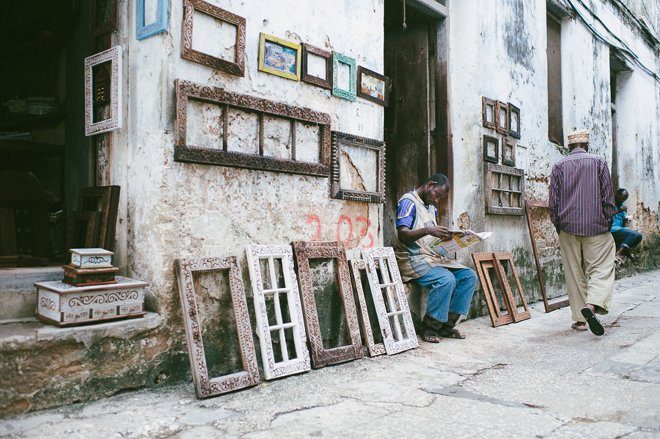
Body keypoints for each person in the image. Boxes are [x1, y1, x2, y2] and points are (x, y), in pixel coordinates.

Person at [395, 173, 478, 343]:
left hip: (430, 257)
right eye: (437, 195)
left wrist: (450, 240)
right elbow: (403, 235)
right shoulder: (408, 202)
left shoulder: (430, 207)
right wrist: (428, 231)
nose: (437, 200)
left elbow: (430, 239)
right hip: (411, 258)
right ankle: (430, 327)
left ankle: (446, 326)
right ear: (429, 185)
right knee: (446, 279)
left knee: (469, 276)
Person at [548, 129, 617, 336]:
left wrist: (558, 224)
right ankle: (593, 305)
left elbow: (553, 202)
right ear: (586, 145)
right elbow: (608, 197)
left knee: (574, 272)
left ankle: (579, 320)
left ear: (569, 147)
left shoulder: (559, 165)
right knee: (601, 267)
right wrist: (608, 220)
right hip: (596, 226)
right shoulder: (599, 162)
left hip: (567, 227)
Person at [611, 188, 643, 262]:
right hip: (611, 229)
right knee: (633, 235)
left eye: (624, 199)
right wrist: (618, 210)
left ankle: (625, 251)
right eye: (621, 198)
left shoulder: (621, 205)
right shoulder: (610, 204)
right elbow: (606, 215)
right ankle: (618, 254)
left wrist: (626, 218)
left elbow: (623, 217)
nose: (622, 201)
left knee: (639, 236)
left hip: (620, 229)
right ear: (617, 195)